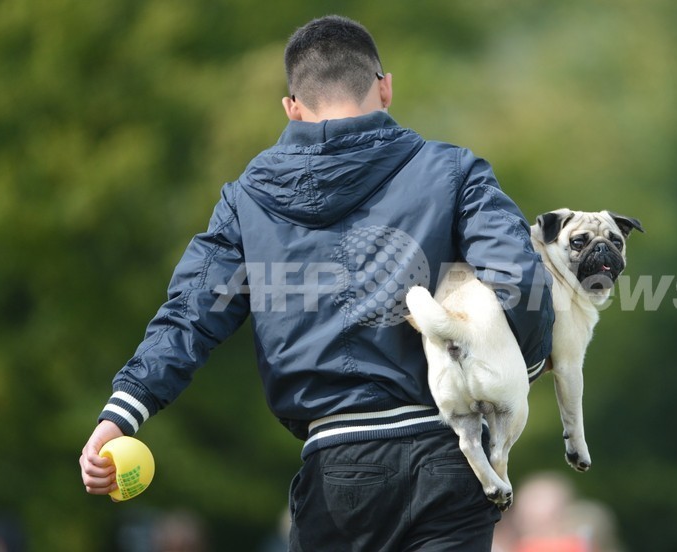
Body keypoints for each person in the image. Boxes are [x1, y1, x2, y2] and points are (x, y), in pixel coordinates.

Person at [79, 14, 554, 551]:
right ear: (385, 87)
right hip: (448, 456)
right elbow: (521, 282)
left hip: (335, 473)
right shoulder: (454, 171)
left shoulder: (246, 201)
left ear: (292, 107)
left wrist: (122, 411)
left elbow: (189, 314)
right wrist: (522, 367)